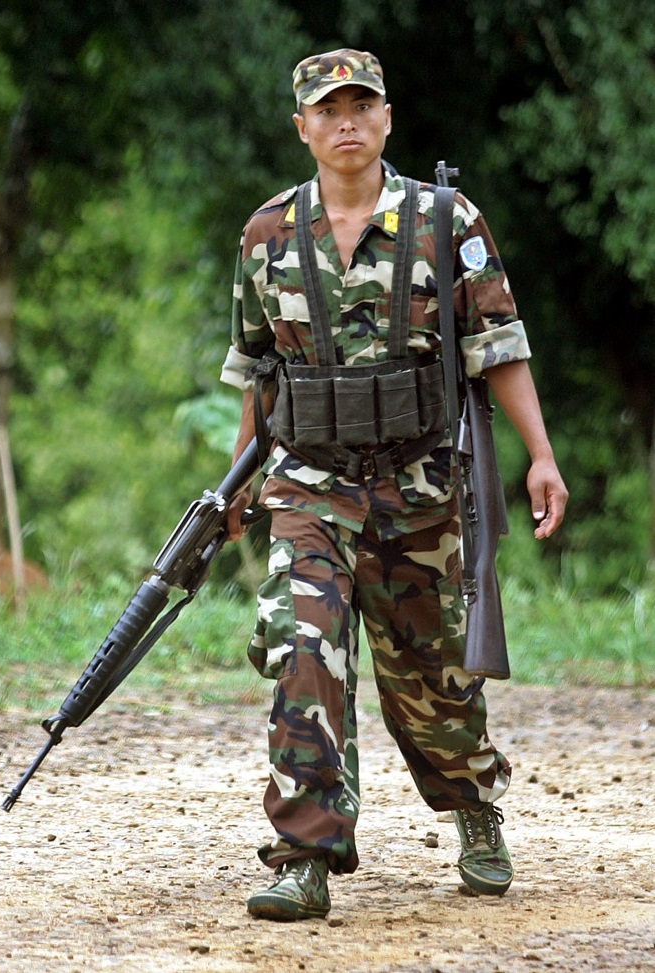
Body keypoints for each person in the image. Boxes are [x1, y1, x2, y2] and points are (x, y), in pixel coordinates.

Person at [220, 48, 568, 921]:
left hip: (418, 487)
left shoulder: (446, 220)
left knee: (433, 675)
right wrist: (238, 478)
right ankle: (304, 852)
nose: (346, 120)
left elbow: (500, 346)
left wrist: (541, 455)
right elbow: (258, 369)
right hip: (307, 487)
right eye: (327, 108)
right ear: (301, 126)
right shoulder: (267, 233)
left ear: (386, 119)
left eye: (360, 104)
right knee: (305, 652)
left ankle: (474, 806)